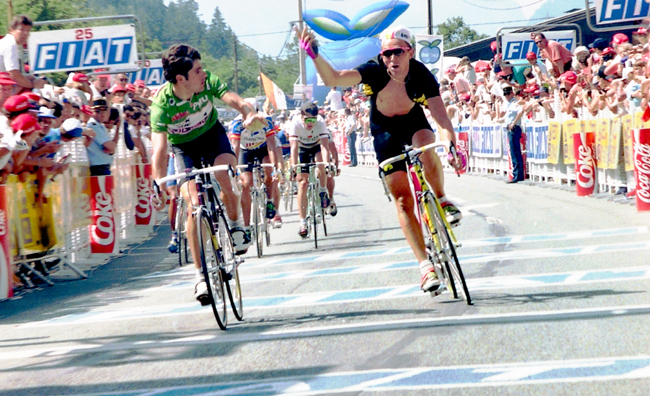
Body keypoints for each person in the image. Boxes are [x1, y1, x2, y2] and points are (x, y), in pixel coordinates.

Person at [295, 24, 462, 293]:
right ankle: (425, 266)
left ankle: (441, 198)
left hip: (413, 123)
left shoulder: (421, 74)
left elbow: (442, 120)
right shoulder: (373, 70)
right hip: (384, 130)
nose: (392, 59)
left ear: (410, 52)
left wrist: (452, 146)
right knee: (403, 199)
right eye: (387, 54)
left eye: (398, 52)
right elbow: (334, 78)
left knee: (427, 144)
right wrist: (314, 55)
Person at [150, 44, 266, 305]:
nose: (204, 73)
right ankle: (200, 275)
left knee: (226, 176)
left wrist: (247, 112)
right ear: (181, 79)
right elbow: (158, 149)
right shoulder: (161, 104)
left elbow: (233, 99)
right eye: (198, 70)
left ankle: (236, 226)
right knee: (193, 205)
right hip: (183, 148)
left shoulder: (207, 81)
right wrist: (156, 182)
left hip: (213, 137)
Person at [229, 98, 281, 246]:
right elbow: (235, 148)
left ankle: (270, 202)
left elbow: (271, 146)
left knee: (269, 170)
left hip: (263, 149)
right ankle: (246, 226)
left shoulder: (266, 121)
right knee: (246, 184)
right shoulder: (237, 124)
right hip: (246, 152)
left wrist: (274, 168)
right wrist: (235, 171)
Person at [287, 102, 331, 238]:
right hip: (301, 148)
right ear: (301, 117)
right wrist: (294, 167)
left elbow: (324, 146)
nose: (310, 123)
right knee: (302, 183)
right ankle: (302, 222)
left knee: (321, 163)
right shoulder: (295, 123)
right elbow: (293, 148)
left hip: (316, 146)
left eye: (313, 119)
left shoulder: (321, 122)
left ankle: (323, 191)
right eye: (307, 119)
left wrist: (327, 164)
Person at [0, 15, 46, 91]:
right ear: (11, 30)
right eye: (22, 29)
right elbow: (13, 75)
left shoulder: (7, 42)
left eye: (28, 30)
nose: (25, 33)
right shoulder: (10, 44)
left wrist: (30, 77)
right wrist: (33, 85)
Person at [85, 98, 119, 176]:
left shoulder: (101, 125)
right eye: (98, 111)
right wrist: (111, 147)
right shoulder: (93, 125)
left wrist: (111, 148)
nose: (102, 113)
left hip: (103, 165)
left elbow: (111, 150)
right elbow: (111, 147)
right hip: (98, 166)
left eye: (104, 110)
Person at [499, 86, 525, 183]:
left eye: (508, 94)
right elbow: (505, 116)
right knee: (515, 151)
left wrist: (514, 122)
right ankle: (519, 175)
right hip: (510, 128)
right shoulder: (508, 104)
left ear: (512, 94)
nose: (506, 96)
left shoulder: (514, 103)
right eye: (505, 94)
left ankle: (516, 175)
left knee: (515, 152)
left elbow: (521, 111)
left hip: (514, 128)